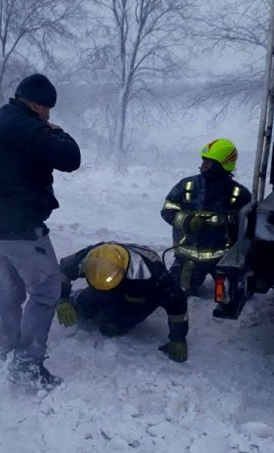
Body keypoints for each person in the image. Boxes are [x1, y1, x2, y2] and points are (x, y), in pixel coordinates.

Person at [0, 74, 81, 390]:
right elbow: (71, 158)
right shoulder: (29, 127)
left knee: (9, 289)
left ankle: (5, 344)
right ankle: (26, 364)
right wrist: (56, 131)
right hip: (22, 229)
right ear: (36, 103)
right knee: (46, 290)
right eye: (47, 108)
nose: (49, 114)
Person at [56, 242, 189, 363]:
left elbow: (177, 301)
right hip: (108, 284)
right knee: (83, 309)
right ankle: (81, 297)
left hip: (136, 292)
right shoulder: (92, 255)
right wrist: (63, 300)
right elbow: (62, 271)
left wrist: (178, 339)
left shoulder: (152, 276)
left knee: (111, 328)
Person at [161, 139, 252, 295]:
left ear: (221, 165)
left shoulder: (239, 194)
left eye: (209, 161)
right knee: (175, 293)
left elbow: (248, 228)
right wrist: (187, 221)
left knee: (230, 296)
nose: (203, 164)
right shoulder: (187, 186)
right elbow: (167, 210)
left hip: (223, 261)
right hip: (188, 258)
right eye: (203, 160)